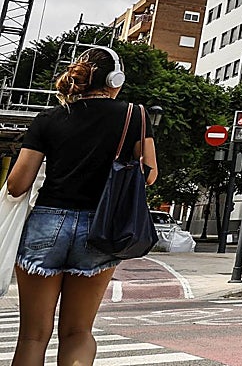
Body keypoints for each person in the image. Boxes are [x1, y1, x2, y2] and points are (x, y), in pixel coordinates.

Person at [4, 47, 157, 366]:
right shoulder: (136, 116)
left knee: (32, 336)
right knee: (78, 333)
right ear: (116, 79)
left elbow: (18, 184)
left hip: (46, 224)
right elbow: (149, 174)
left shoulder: (48, 119)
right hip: (101, 229)